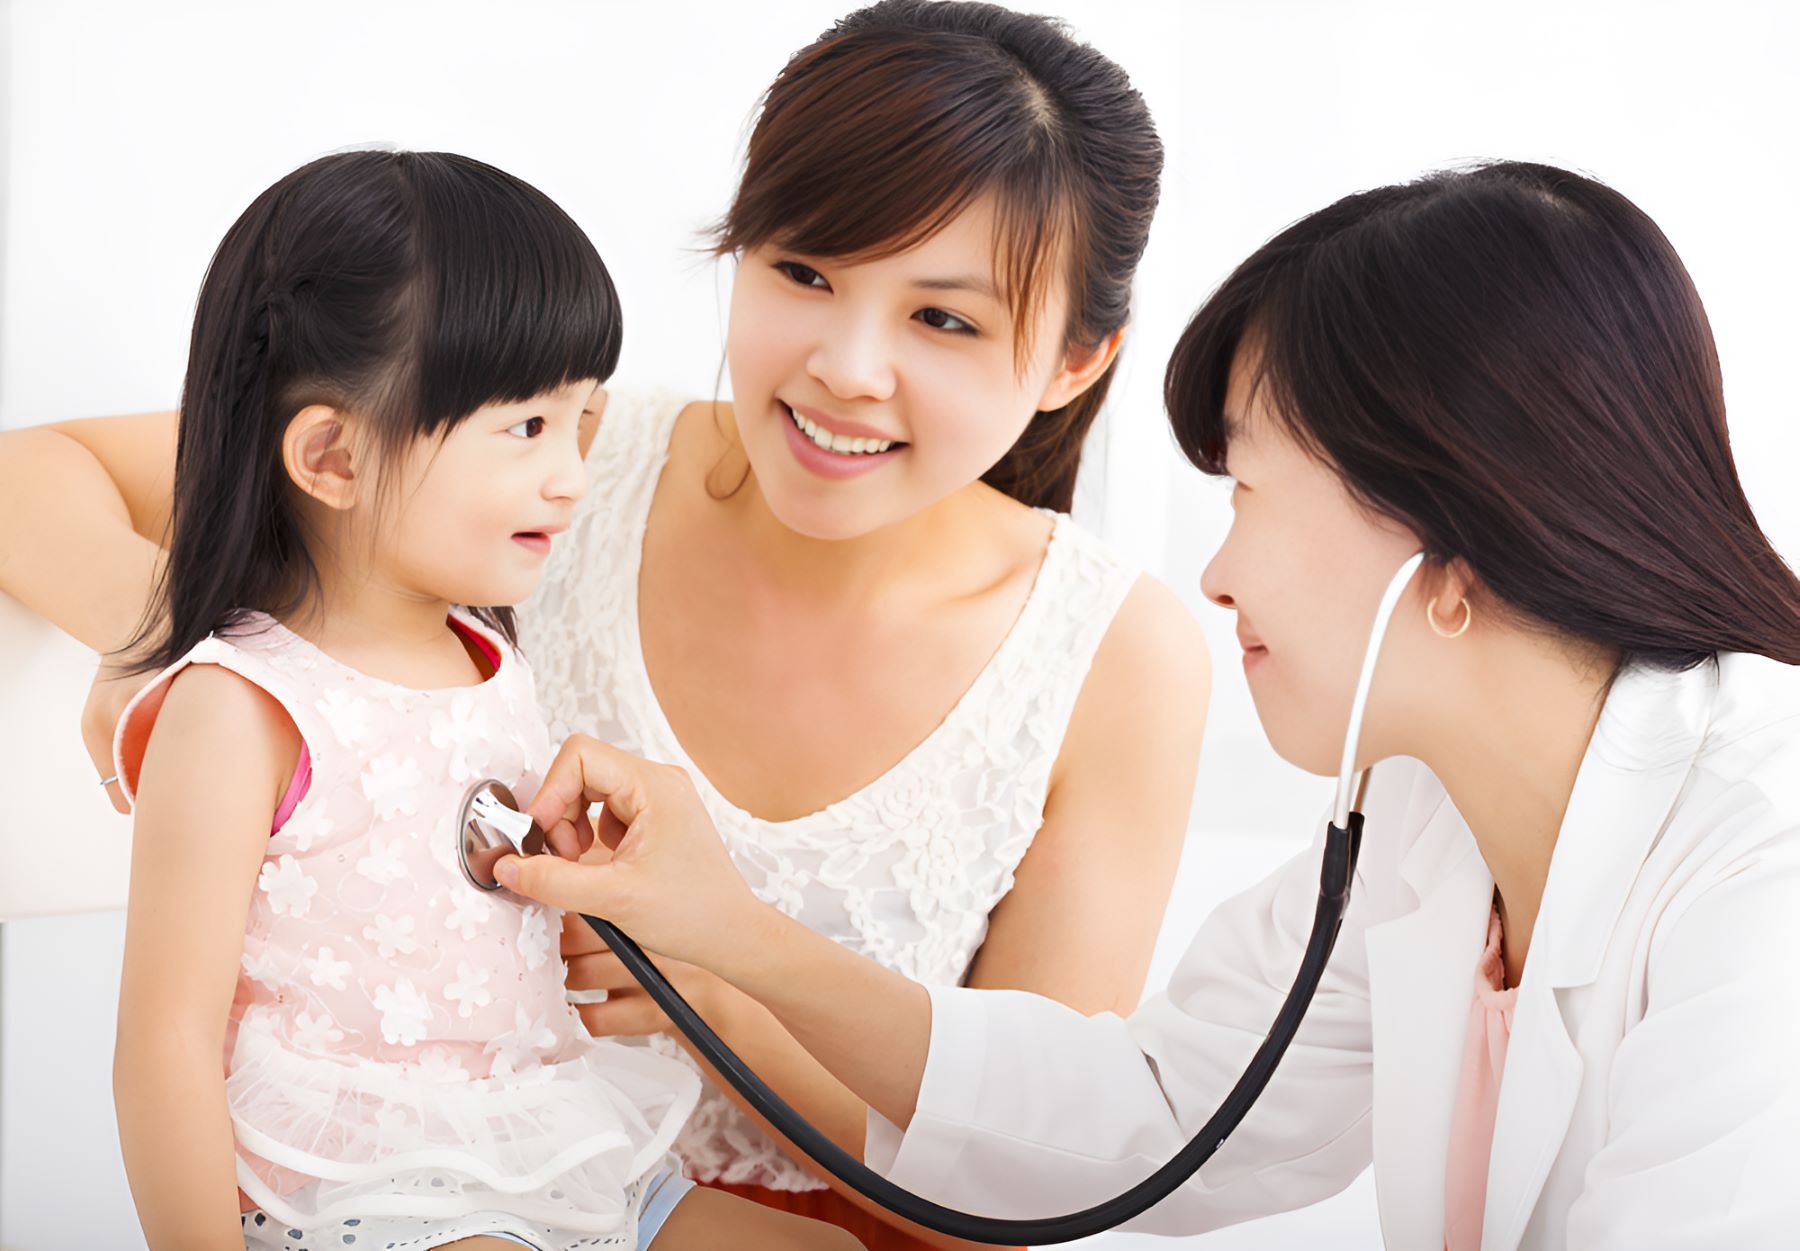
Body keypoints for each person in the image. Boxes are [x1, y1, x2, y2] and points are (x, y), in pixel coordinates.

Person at [0, 5, 1207, 1247]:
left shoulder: (1115, 656)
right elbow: (27, 478)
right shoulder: (545, 470)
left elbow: (1018, 1192)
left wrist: (719, 1000)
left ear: (1075, 361)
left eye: (944, 319)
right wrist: (193, 645)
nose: (848, 367)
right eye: (803, 272)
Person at [492, 162, 1800, 1251]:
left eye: (1250, 493)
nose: (1218, 575)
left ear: (1450, 554)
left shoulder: (1764, 866)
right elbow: (1154, 1115)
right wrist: (733, 939)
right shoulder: (1425, 818)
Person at [69, 149, 861, 1251]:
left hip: (545, 1145)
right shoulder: (240, 710)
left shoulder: (490, 656)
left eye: (583, 422)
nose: (572, 475)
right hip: (369, 1188)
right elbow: (164, 1046)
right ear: (335, 456)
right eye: (528, 428)